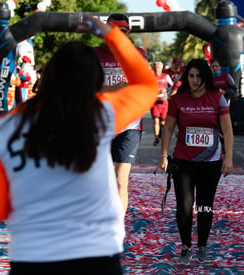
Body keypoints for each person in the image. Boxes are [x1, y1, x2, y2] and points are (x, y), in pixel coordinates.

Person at [0, 14, 158, 274]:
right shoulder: (102, 114)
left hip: (33, 257)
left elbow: (0, 207)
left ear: (47, 77)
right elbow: (148, 85)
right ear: (95, 82)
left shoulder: (5, 129)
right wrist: (110, 35)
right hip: (95, 255)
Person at [158, 59, 233, 264]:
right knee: (184, 205)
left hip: (211, 162)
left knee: (205, 206)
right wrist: (164, 154)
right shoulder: (178, 100)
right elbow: (168, 128)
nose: (194, 80)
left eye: (199, 76)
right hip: (184, 161)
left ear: (205, 77)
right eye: (191, 76)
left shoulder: (217, 99)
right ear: (186, 77)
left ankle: (202, 246)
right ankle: (185, 246)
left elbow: (227, 130)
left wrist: (229, 157)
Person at [94, 13, 148, 213]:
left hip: (130, 126)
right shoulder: (94, 54)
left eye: (124, 31)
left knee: (119, 181)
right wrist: (114, 88)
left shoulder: (138, 54)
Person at [151, 61, 173, 146]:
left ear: (162, 68)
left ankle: (161, 132)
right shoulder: (150, 77)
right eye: (155, 67)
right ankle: (156, 138)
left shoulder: (166, 76)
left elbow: (172, 86)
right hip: (154, 102)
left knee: (163, 121)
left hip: (164, 102)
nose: (157, 69)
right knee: (155, 120)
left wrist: (166, 90)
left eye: (159, 67)